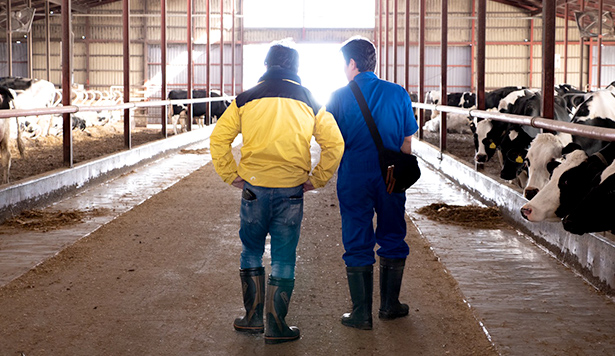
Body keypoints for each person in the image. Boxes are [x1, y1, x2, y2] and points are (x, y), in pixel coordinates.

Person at [210, 41, 344, 344]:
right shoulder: (310, 99)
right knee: (284, 255)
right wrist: (317, 179)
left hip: (253, 188)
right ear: (295, 68)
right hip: (292, 189)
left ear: (267, 65)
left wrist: (230, 174)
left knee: (251, 250)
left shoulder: (245, 99)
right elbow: (334, 143)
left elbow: (219, 138)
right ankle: (276, 325)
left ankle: (251, 318)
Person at [326, 37, 419, 330]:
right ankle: (390, 306)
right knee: (392, 234)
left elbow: (331, 143)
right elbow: (407, 141)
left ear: (352, 63)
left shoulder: (338, 97)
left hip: (354, 175)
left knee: (357, 237)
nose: (343, 68)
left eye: (344, 63)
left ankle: (361, 314)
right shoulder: (398, 93)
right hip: (391, 176)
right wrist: (399, 175)